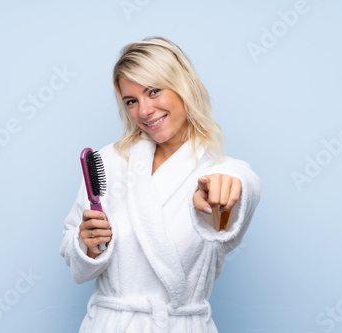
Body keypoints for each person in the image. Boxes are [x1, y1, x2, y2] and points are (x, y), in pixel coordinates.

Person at [60, 36, 261, 333]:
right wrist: (87, 246)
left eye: (154, 91)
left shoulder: (221, 172)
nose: (144, 111)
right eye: (132, 101)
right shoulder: (108, 161)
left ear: (183, 87)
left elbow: (233, 208)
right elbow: (74, 258)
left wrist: (226, 192)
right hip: (111, 324)